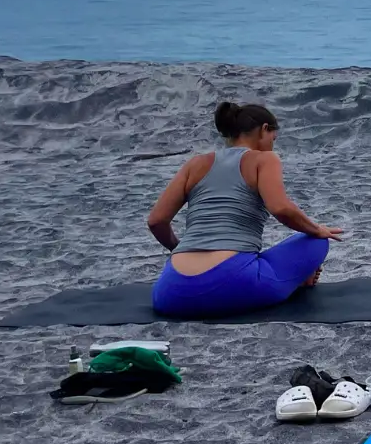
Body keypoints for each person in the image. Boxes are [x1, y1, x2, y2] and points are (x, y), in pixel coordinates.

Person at [146, 102, 346, 319]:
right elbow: (280, 208)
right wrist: (317, 229)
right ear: (264, 129)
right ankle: (296, 280)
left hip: (171, 293)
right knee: (316, 241)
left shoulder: (195, 164)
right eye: (273, 138)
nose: (272, 145)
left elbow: (156, 220)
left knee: (266, 256)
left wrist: (180, 248)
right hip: (232, 284)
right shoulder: (264, 159)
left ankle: (285, 277)